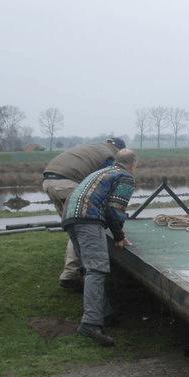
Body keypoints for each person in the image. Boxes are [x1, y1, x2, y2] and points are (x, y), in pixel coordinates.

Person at [61, 148, 137, 347]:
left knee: (89, 266)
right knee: (97, 269)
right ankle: (90, 324)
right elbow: (115, 209)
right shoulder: (126, 177)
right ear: (133, 164)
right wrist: (119, 236)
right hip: (88, 218)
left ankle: (105, 313)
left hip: (70, 216)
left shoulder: (101, 172)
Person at [42, 137, 126, 289]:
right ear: (119, 150)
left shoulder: (96, 148)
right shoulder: (110, 157)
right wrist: (117, 231)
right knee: (83, 225)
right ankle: (77, 273)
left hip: (49, 181)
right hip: (67, 183)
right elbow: (106, 187)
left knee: (74, 227)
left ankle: (71, 272)